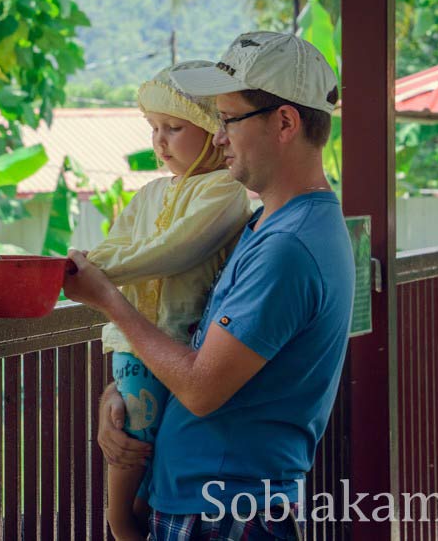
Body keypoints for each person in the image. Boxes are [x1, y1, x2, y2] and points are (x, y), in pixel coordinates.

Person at [64, 31, 356, 540]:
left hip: (227, 512)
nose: (217, 138)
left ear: (285, 122)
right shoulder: (266, 224)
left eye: (227, 120)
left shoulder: (289, 246)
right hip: (204, 500)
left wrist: (109, 299)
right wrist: (119, 391)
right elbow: (200, 347)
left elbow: (201, 388)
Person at [85, 60, 252, 540]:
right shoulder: (150, 193)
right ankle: (121, 519)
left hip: (183, 336)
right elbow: (114, 244)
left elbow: (177, 248)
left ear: (211, 131)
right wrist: (89, 264)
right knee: (133, 419)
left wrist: (99, 277)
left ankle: (126, 518)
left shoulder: (224, 191)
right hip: (133, 337)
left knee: (149, 427)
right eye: (154, 128)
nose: (159, 141)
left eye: (175, 128)